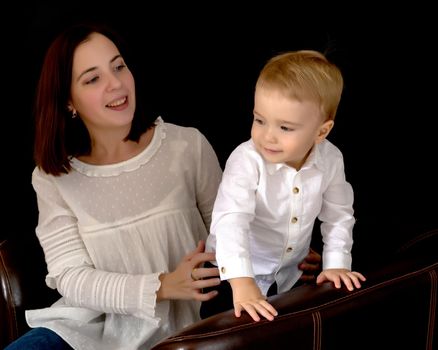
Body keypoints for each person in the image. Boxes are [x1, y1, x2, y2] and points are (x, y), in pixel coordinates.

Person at [5, 23, 322, 350]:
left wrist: (286, 250)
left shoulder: (186, 146)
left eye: (118, 66)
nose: (116, 83)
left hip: (185, 332)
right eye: (93, 78)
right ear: (68, 102)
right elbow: (72, 278)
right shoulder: (52, 178)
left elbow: (232, 227)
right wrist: (162, 286)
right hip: (83, 332)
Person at [201, 50, 366, 322]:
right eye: (259, 120)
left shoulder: (331, 159)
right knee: (231, 331)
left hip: (289, 274)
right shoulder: (246, 160)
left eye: (285, 128)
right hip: (231, 274)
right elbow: (231, 221)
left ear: (321, 132)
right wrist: (242, 283)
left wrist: (336, 264)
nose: (267, 136)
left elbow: (339, 215)